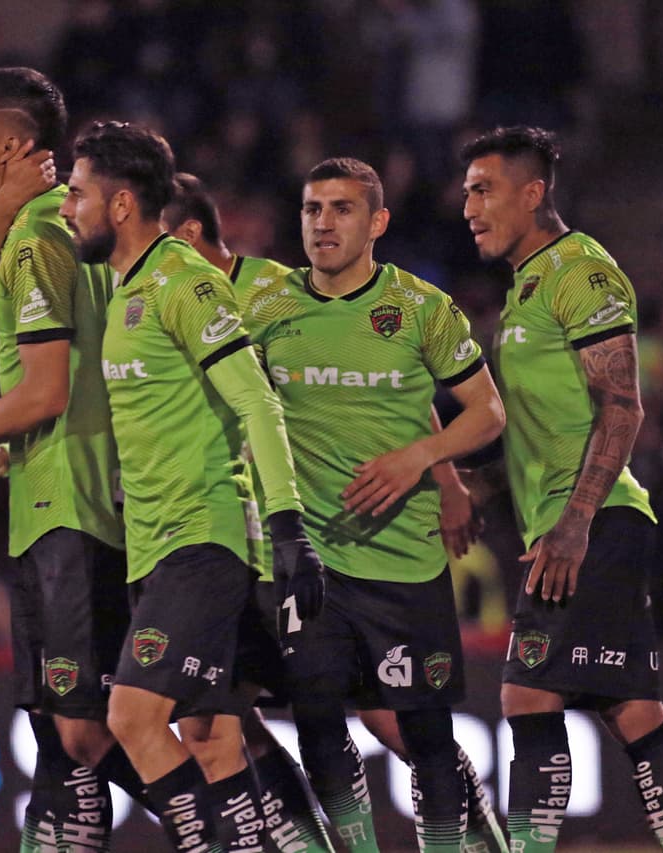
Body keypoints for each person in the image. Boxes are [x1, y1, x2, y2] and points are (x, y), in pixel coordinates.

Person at [163, 171, 506, 853]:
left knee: (423, 733)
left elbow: (486, 412)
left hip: (404, 559)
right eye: (312, 208)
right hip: (310, 560)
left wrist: (428, 465)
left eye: (342, 209)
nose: (323, 222)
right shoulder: (263, 300)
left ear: (376, 222)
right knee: (319, 725)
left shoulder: (421, 307)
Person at [62, 120, 328, 853]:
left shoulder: (184, 281)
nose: (68, 208)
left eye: (78, 194)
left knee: (131, 717)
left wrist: (287, 525)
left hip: (201, 540)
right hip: (153, 546)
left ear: (121, 204)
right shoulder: (125, 288)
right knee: (211, 738)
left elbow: (255, 400)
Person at [0, 66, 150, 852]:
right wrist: (3, 449)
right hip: (58, 498)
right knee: (57, 735)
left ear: (14, 145)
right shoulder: (63, 226)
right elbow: (87, 379)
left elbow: (49, 391)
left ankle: (234, 823)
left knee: (84, 733)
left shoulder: (36, 236)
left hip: (74, 510)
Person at [460, 125, 663, 852]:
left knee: (528, 695)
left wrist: (575, 523)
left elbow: (622, 405)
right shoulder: (527, 286)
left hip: (592, 524)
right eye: (467, 192)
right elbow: (547, 433)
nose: (469, 208)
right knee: (634, 712)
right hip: (576, 522)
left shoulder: (582, 271)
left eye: (485, 191)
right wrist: (475, 484)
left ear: (532, 194)